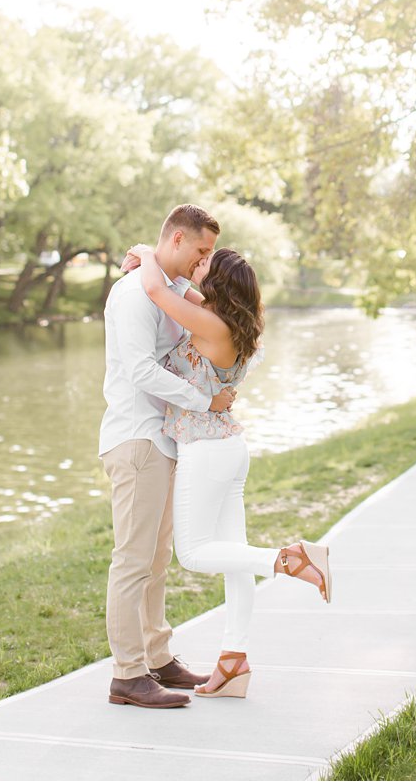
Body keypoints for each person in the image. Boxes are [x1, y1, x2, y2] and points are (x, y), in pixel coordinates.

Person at [127, 242, 332, 699]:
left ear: (218, 282)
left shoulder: (211, 324)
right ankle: (233, 661)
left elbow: (159, 293)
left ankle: (290, 559)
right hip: (227, 448)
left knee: (194, 554)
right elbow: (181, 296)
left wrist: (145, 253)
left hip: (206, 449)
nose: (198, 265)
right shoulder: (226, 321)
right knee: (233, 562)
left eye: (205, 264)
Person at [99, 203, 237, 710]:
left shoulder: (167, 286)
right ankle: (127, 675)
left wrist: (144, 253)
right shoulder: (134, 292)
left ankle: (157, 657)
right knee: (132, 562)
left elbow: (196, 307)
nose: (206, 261)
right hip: (136, 439)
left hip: (161, 440)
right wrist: (205, 400)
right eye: (201, 250)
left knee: (156, 560)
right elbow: (139, 370)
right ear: (177, 240)